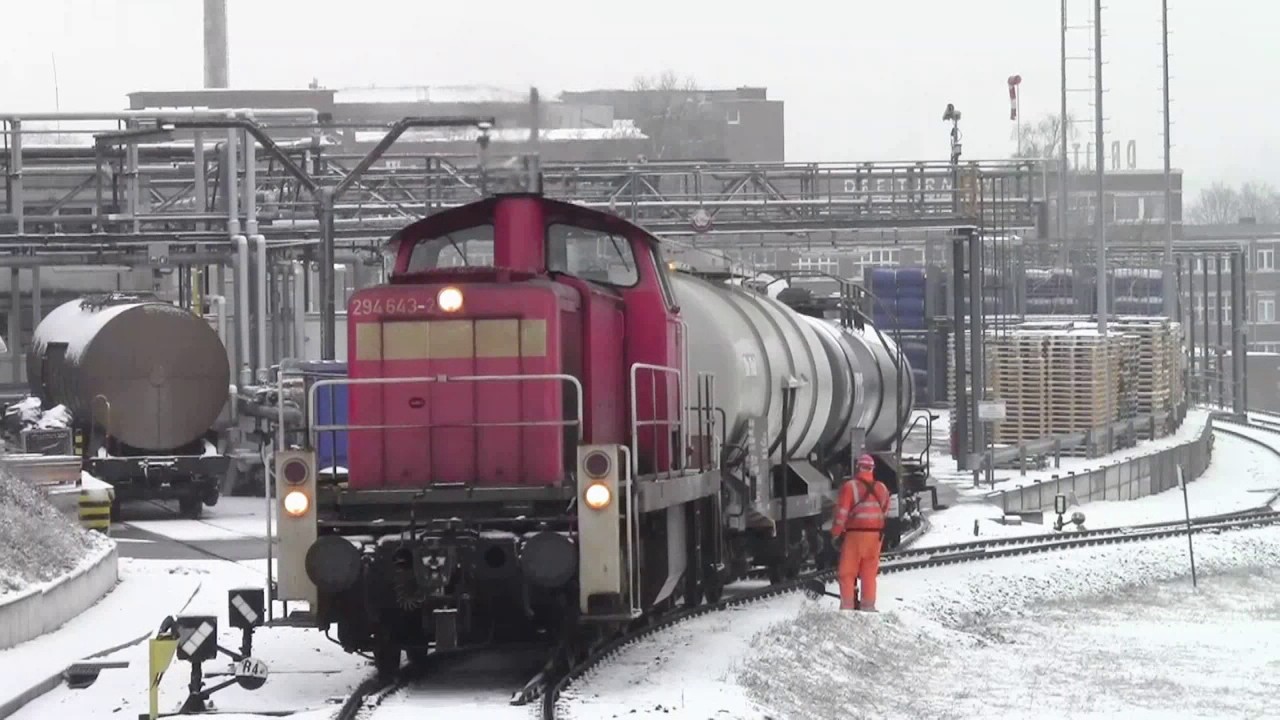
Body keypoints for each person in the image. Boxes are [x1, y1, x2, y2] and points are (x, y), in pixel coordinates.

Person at [830, 453, 890, 611]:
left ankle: (848, 607)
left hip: (855, 535)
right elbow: (885, 511)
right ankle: (868, 606)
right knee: (869, 573)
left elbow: (842, 513)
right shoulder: (882, 488)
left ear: (858, 468)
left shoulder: (850, 487)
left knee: (847, 572)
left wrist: (836, 533)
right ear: (872, 469)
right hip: (875, 537)